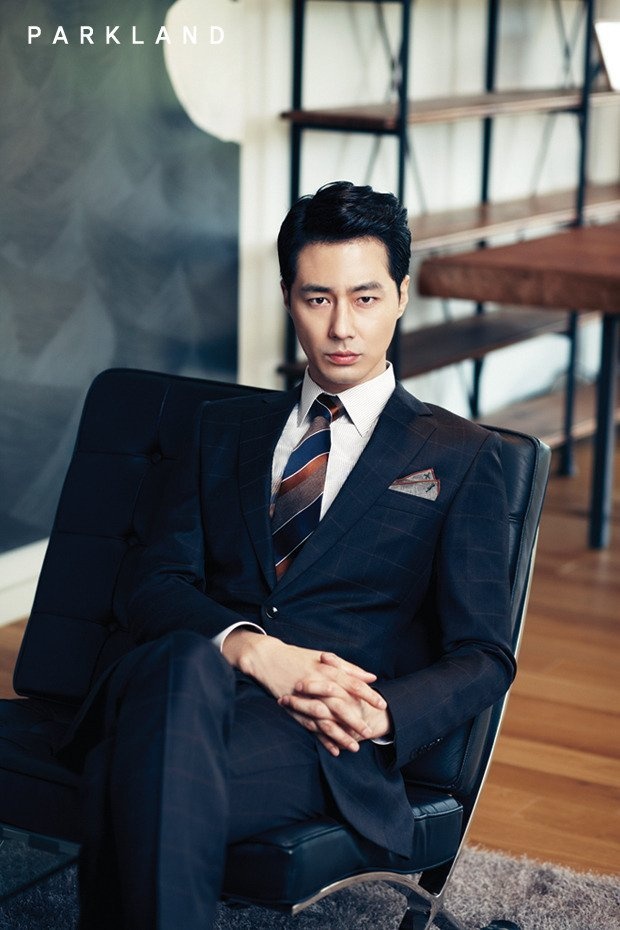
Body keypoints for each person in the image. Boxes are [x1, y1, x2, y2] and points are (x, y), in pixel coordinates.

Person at [63, 181, 515, 929]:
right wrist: (252, 649)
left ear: (402, 296)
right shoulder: (222, 429)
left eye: (365, 299)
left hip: (312, 734)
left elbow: (486, 654)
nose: (341, 327)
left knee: (131, 772)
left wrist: (380, 715)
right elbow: (153, 584)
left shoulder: (460, 455)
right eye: (317, 299)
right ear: (287, 298)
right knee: (183, 664)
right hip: (181, 682)